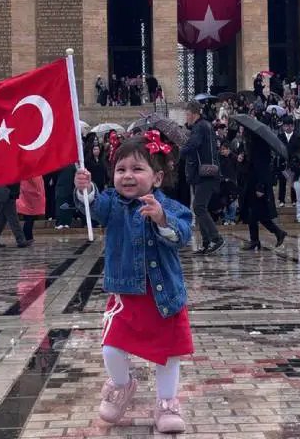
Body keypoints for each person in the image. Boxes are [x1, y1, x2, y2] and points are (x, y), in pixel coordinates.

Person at [73, 137, 194, 434]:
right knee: (112, 347)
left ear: (157, 177)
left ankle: (166, 402)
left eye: (137, 169)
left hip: (163, 294)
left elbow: (183, 235)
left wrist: (162, 220)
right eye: (120, 169)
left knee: (167, 354)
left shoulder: (169, 206)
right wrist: (85, 189)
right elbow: (95, 207)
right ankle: (122, 384)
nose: (127, 176)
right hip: (126, 294)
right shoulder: (113, 205)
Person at [179, 102, 224, 254]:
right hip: (201, 174)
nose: (186, 117)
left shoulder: (200, 127)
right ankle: (206, 242)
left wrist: (181, 150)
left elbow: (193, 144)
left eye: (187, 114)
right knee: (199, 208)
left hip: (206, 173)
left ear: (194, 113)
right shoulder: (202, 126)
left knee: (199, 207)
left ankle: (216, 238)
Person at [240, 121, 288, 251]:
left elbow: (262, 168)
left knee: (258, 214)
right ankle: (255, 240)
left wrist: (260, 186)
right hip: (252, 183)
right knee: (253, 214)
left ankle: (277, 232)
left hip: (258, 185)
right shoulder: (252, 146)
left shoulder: (260, 146)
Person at [0, 182, 29, 247]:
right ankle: (21, 239)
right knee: (13, 217)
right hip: (8, 193)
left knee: (2, 218)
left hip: (8, 192)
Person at [276, 117, 300, 207]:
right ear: (283, 126)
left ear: (293, 126)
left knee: (293, 182)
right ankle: (281, 200)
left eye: (290, 125)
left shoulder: (297, 136)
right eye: (286, 125)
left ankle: (294, 199)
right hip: (283, 162)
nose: (288, 127)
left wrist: (294, 158)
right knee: (282, 182)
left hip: (293, 162)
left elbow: (298, 150)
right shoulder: (280, 136)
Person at [17, 175, 46, 242]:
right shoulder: (33, 171)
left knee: (29, 217)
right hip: (31, 194)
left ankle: (28, 236)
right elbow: (35, 182)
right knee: (30, 218)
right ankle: (28, 237)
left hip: (27, 193)